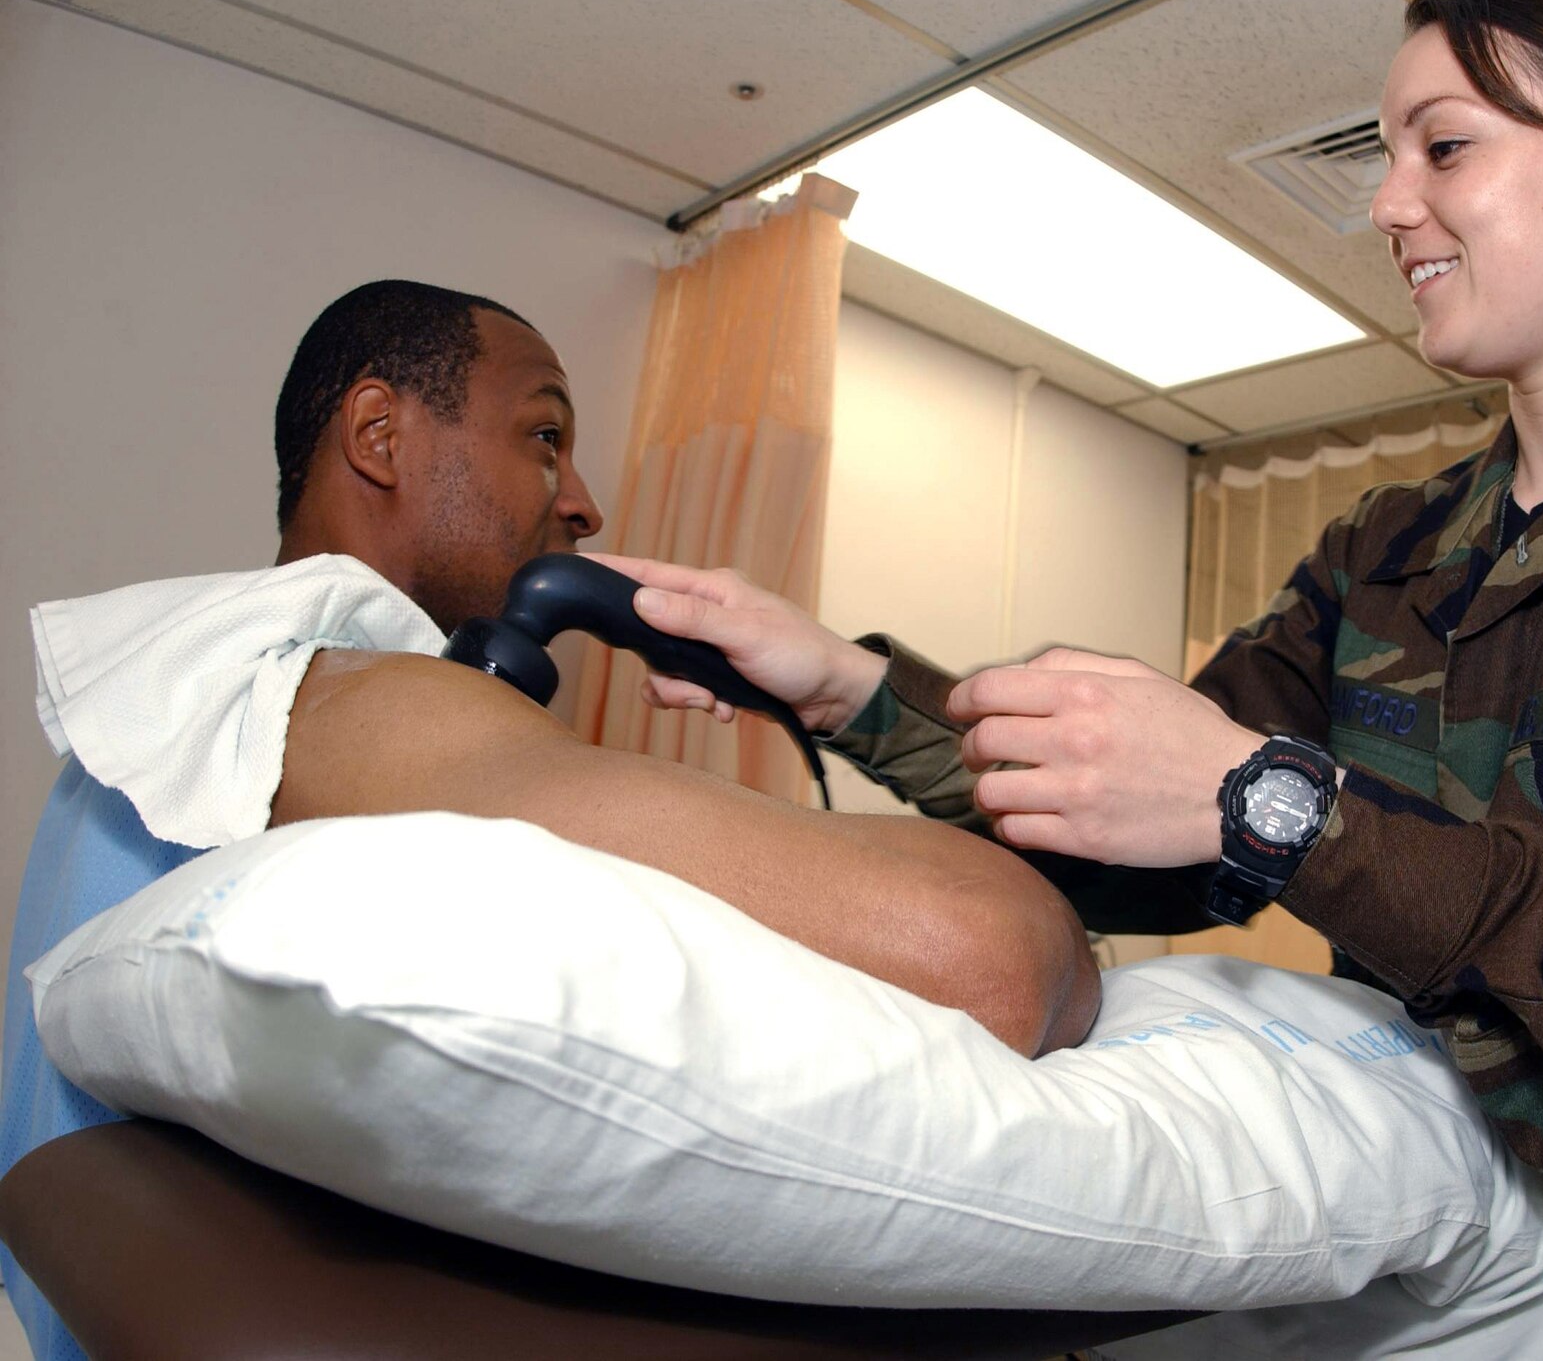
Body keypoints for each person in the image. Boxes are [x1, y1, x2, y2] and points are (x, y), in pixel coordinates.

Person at [605, 0, 1543, 1361]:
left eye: (1443, 148)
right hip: (1398, 1267)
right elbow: (1135, 818)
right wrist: (845, 689)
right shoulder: (1390, 551)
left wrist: (1284, 808)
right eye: (1387, 156)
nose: (1386, 204)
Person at [8, 280, 1097, 1356]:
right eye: (544, 435)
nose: (582, 503)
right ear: (379, 434)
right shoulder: (336, 705)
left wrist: (838, 691)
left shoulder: (163, 722)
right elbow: (981, 945)